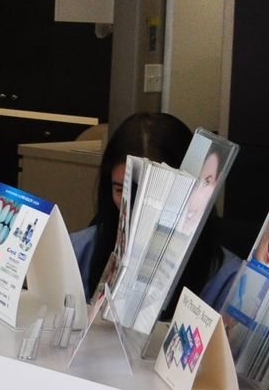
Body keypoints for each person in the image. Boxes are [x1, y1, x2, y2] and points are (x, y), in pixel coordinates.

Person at [69, 112, 240, 307]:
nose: (137, 208)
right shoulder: (77, 251)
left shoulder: (227, 279)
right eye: (121, 190)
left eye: (153, 192)